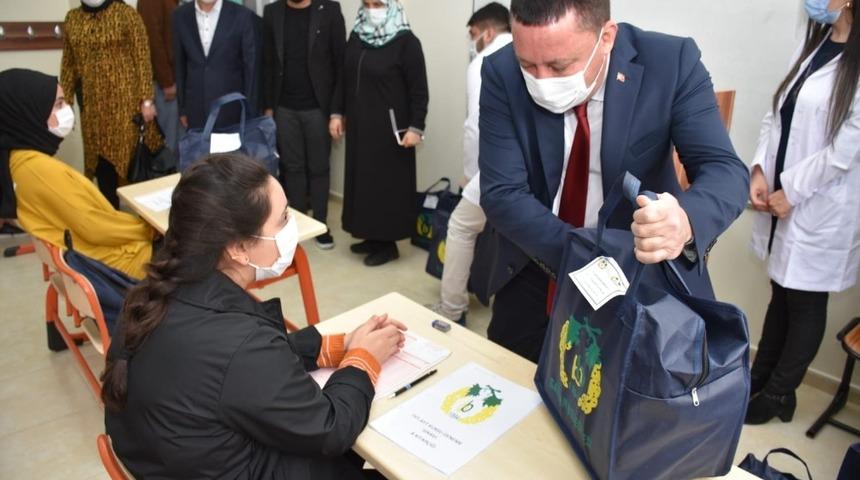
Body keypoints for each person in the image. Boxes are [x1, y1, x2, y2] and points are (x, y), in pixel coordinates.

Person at [102, 153, 407, 479]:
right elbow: (329, 429)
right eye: (284, 218)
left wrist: (330, 346)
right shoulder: (238, 344)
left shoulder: (155, 294)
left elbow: (237, 371)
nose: (293, 227)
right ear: (238, 248)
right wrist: (363, 361)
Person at [479, 0, 750, 361]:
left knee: (621, 399)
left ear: (606, 37)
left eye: (559, 66)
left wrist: (684, 220)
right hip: (539, 257)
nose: (541, 81)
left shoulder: (670, 63)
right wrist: (590, 263)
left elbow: (724, 169)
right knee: (512, 385)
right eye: (528, 64)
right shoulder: (501, 71)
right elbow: (502, 194)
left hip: (637, 274)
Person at [746, 0, 860, 425]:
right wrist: (759, 170)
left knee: (806, 301)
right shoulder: (814, 43)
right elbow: (776, 116)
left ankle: (778, 393)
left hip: (819, 206)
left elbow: (845, 149)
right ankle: (761, 378)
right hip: (781, 195)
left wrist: (792, 190)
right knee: (782, 292)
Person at [0, 68, 155, 280]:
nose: (67, 110)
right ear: (29, 112)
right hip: (121, 265)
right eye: (59, 104)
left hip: (95, 261)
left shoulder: (16, 161)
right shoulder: (37, 170)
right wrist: (151, 229)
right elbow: (96, 228)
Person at [426, 2, 511, 325]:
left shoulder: (484, 63)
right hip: (530, 171)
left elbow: (476, 124)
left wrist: (471, 175)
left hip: (495, 169)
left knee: (461, 227)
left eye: (473, 34)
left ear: (487, 32)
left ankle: (452, 308)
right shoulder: (524, 55)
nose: (472, 41)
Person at [330, 0, 429, 267]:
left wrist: (416, 127)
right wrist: (337, 113)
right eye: (368, 2)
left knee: (386, 187)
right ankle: (371, 236)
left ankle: (388, 244)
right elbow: (344, 77)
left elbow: (419, 89)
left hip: (391, 131)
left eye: (378, 3)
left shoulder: (407, 42)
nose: (372, 7)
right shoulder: (357, 36)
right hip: (361, 127)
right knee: (364, 184)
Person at [262, 0, 346, 250]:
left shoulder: (329, 10)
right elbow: (268, 63)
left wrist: (337, 112)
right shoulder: (272, 12)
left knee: (319, 168)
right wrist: (268, 108)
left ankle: (320, 225)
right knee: (292, 168)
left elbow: (341, 65)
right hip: (284, 108)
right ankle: (297, 225)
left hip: (318, 109)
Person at [61, 0, 161, 208]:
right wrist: (65, 101)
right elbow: (69, 65)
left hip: (126, 107)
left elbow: (142, 58)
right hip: (93, 109)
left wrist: (147, 99)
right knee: (101, 166)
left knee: (131, 164)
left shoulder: (126, 14)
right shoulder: (73, 19)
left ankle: (146, 226)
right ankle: (111, 222)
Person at [173, 0, 259, 130]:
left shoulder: (242, 15)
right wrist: (183, 108)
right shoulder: (180, 15)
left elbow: (251, 69)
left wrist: (250, 111)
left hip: (233, 111)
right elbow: (180, 65)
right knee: (199, 151)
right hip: (195, 112)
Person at [138, 0, 182, 153]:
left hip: (176, 81)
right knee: (171, 145)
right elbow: (153, 41)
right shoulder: (152, 3)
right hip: (166, 86)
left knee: (180, 142)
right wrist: (167, 81)